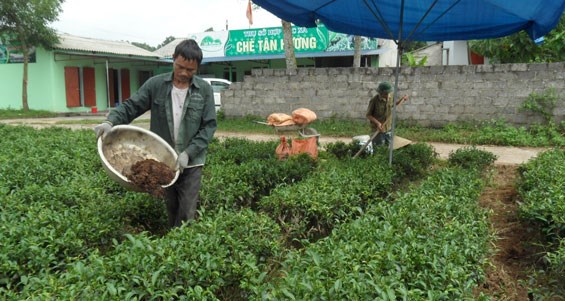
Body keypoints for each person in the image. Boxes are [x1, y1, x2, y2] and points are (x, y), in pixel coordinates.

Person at [94, 39, 217, 228]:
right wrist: (110, 121)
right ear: (173, 59)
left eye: (190, 70)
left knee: (186, 210)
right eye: (180, 67)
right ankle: (172, 244)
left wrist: (189, 153)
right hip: (163, 160)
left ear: (197, 68)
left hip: (191, 162)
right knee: (171, 207)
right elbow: (131, 106)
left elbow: (209, 126)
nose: (184, 73)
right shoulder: (156, 85)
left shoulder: (204, 90)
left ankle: (183, 245)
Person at [366, 81, 408, 148]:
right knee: (379, 148)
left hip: (388, 127)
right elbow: (368, 115)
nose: (388, 95)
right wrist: (378, 123)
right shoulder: (374, 100)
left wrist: (402, 99)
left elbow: (394, 104)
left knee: (388, 147)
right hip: (378, 130)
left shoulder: (390, 96)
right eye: (386, 94)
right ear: (381, 93)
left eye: (388, 93)